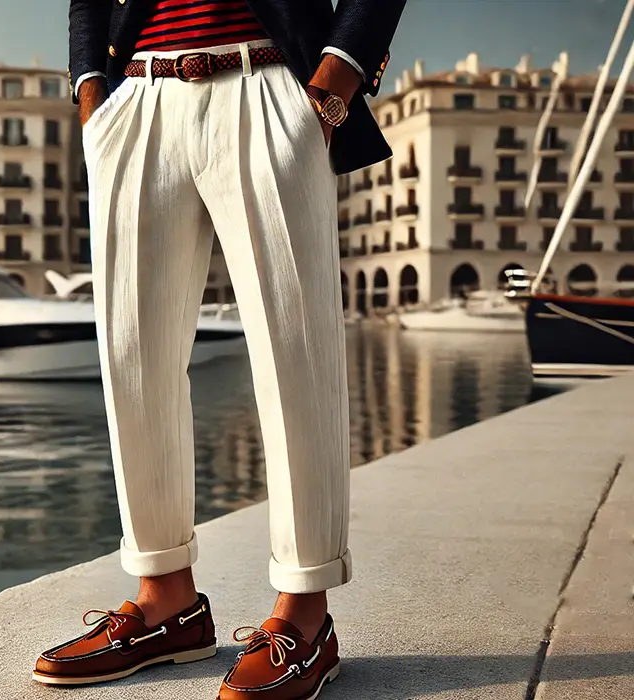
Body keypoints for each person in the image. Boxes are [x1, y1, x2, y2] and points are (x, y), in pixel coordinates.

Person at [33, 1, 406, 697]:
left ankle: (305, 614)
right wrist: (91, 91)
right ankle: (164, 601)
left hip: (269, 82)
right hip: (136, 96)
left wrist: (334, 82)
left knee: (296, 356)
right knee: (131, 355)